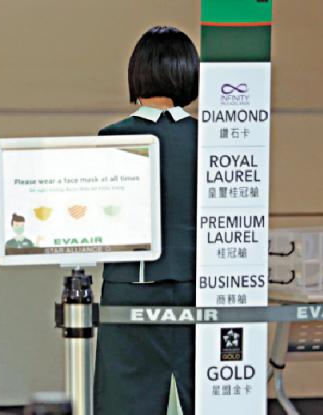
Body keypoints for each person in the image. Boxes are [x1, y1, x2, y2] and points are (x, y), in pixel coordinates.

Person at [93, 26, 199, 415]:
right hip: (199, 287)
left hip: (129, 284)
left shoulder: (112, 136)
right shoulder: (209, 138)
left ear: (137, 73)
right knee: (201, 394)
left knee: (125, 398)